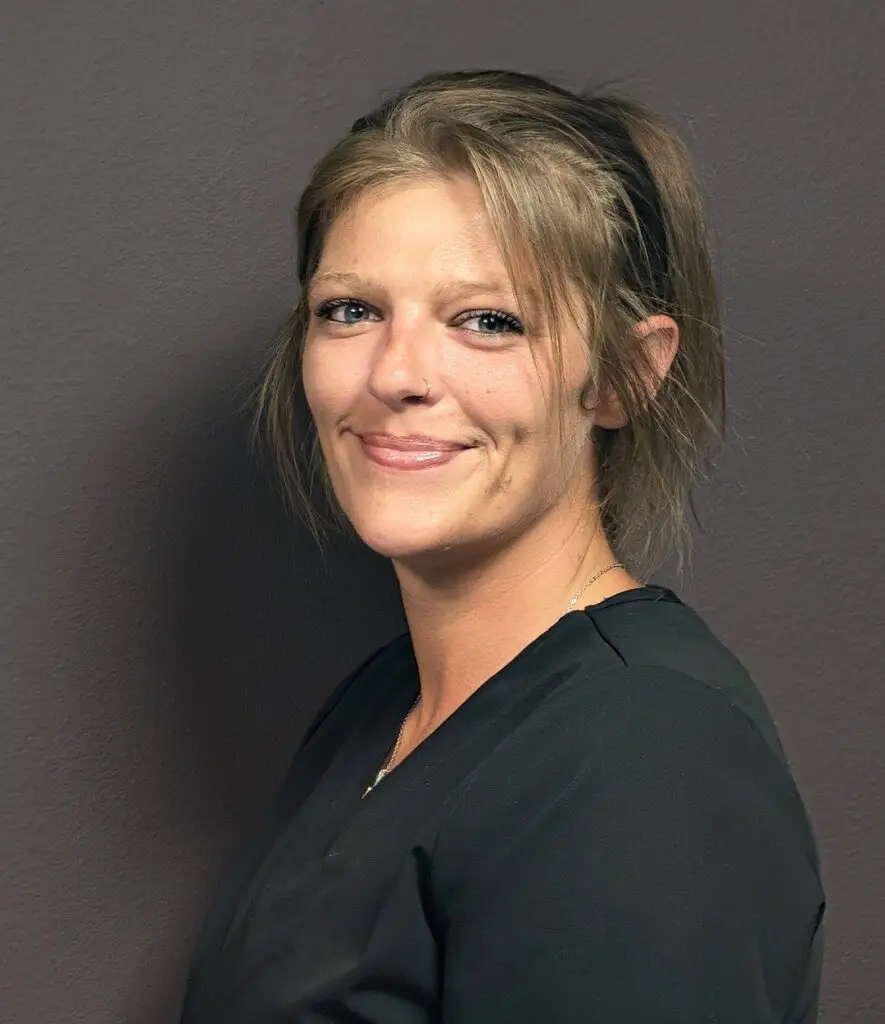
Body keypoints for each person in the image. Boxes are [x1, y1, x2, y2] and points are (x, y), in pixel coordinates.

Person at [178, 69, 825, 1023]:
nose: (396, 374)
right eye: (350, 309)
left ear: (623, 376)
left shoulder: (640, 756)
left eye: (487, 321)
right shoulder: (381, 703)